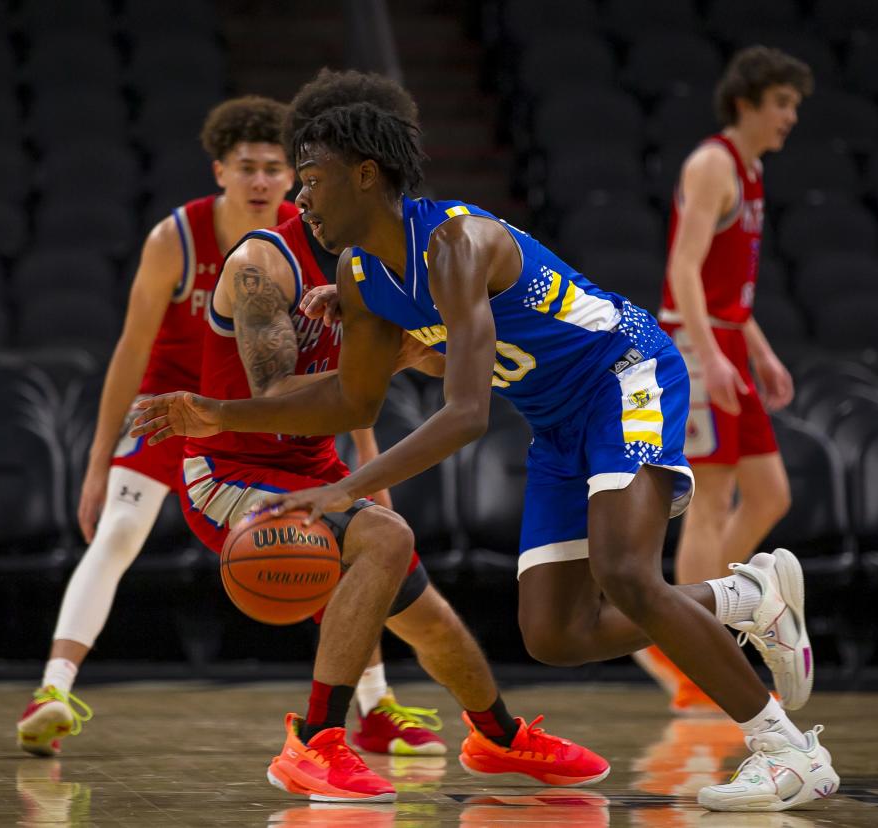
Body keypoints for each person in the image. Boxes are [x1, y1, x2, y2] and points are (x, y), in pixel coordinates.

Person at [133, 69, 838, 812]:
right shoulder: (362, 272)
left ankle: (787, 748)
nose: (298, 197)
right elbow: (351, 398)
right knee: (555, 633)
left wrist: (344, 489)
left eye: (310, 178)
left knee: (627, 573)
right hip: (558, 420)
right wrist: (215, 413)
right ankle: (744, 595)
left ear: (365, 175)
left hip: (624, 374)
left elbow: (466, 412)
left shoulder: (456, 242)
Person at [173, 101, 609, 800]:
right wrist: (399, 363)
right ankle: (314, 740)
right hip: (230, 472)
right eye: (304, 185)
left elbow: (432, 365)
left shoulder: (386, 264)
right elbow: (276, 388)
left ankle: (498, 738)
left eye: (315, 182)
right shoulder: (264, 263)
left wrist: (418, 351)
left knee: (430, 617)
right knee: (385, 536)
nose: (306, 198)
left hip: (315, 468)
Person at [17, 96, 431, 759]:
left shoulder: (316, 233)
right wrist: (99, 460)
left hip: (260, 410)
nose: (263, 181)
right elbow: (131, 348)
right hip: (174, 400)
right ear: (221, 172)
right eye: (248, 168)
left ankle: (375, 705)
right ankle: (54, 690)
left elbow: (345, 373)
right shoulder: (173, 239)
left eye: (275, 168)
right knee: (121, 529)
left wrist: (365, 467)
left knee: (333, 541)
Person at [636, 47, 814, 715]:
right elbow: (683, 272)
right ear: (746, 102)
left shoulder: (753, 169)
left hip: (726, 338)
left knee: (769, 494)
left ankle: (675, 620)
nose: (790, 117)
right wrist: (708, 354)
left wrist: (757, 350)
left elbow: (728, 288)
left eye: (795, 106)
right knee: (709, 503)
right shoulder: (711, 164)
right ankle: (692, 654)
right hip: (693, 342)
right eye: (782, 104)